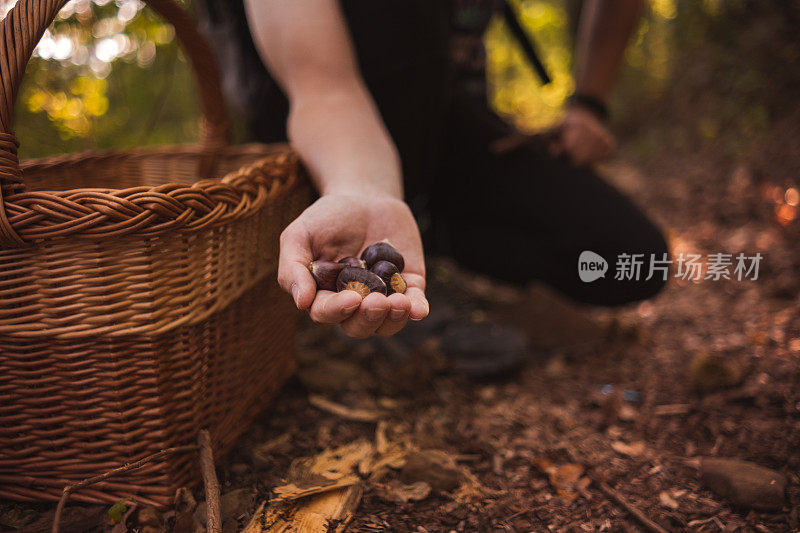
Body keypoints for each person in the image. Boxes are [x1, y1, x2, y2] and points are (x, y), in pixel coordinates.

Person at [194, 0, 668, 341]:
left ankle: (433, 231)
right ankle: (405, 213)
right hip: (327, 133)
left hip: (445, 117)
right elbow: (324, 89)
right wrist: (364, 190)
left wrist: (589, 101)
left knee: (633, 257)